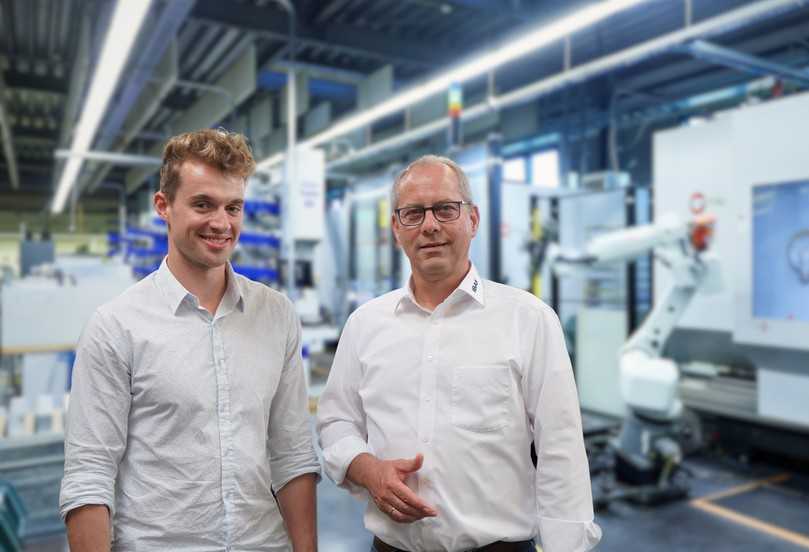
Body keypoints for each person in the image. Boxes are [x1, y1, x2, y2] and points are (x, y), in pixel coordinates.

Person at [317, 155, 601, 552]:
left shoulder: (529, 320)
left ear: (473, 219)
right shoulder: (365, 325)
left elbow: (561, 451)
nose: (430, 225)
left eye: (445, 209)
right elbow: (336, 421)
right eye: (413, 213)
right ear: (396, 229)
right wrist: (366, 470)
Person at [60, 129, 320, 551]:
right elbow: (89, 473)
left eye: (233, 207)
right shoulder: (116, 325)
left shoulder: (276, 314)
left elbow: (292, 455)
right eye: (203, 204)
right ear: (163, 206)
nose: (221, 223)